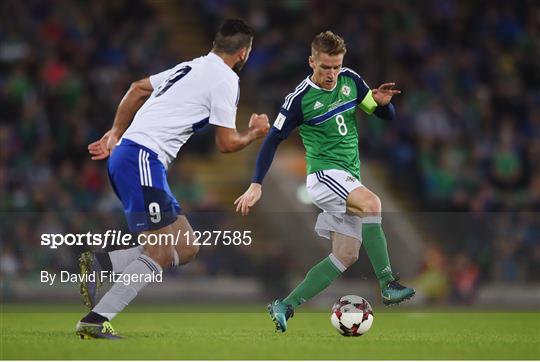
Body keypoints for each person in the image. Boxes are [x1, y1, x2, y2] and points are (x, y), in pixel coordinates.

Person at [76, 19, 270, 339]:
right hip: (142, 158)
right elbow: (226, 143)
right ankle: (96, 320)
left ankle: (102, 264)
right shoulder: (224, 79)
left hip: (137, 158)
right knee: (161, 252)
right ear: (244, 53)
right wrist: (255, 134)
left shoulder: (191, 66)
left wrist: (115, 132)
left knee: (186, 246)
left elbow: (137, 88)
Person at [234, 31, 415, 333]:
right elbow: (272, 141)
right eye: (325, 67)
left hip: (348, 177)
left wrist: (382, 104)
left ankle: (285, 305)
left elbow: (386, 115)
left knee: (346, 254)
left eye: (336, 66)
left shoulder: (351, 81)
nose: (331, 74)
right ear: (311, 62)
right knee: (373, 204)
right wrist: (256, 183)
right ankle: (387, 284)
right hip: (324, 176)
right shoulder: (298, 99)